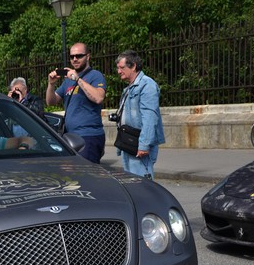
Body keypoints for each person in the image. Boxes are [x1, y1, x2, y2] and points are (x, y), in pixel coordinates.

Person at [46, 42, 107, 164]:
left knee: (87, 175)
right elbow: (51, 102)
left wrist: (77, 79)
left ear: (88, 56)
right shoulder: (68, 81)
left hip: (89, 136)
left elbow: (98, 98)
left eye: (79, 56)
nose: (75, 59)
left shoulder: (95, 75)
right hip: (70, 136)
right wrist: (51, 84)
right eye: (72, 56)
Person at [115, 49, 165, 180]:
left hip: (138, 145)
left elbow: (150, 117)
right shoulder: (129, 87)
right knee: (133, 185)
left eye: (121, 67)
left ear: (133, 66)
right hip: (129, 143)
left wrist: (144, 145)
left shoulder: (147, 85)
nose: (118, 71)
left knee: (142, 185)